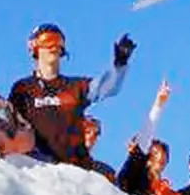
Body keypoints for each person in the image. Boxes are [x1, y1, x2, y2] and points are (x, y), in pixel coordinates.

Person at [7, 24, 134, 167]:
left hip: (74, 171)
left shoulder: (76, 86)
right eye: (47, 40)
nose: (53, 46)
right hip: (39, 171)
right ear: (34, 47)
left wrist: (119, 64)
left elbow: (106, 87)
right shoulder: (23, 88)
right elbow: (11, 124)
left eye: (58, 41)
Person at [82, 116, 116, 183]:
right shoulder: (60, 165)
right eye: (87, 132)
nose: (92, 136)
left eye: (96, 134)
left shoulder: (105, 171)